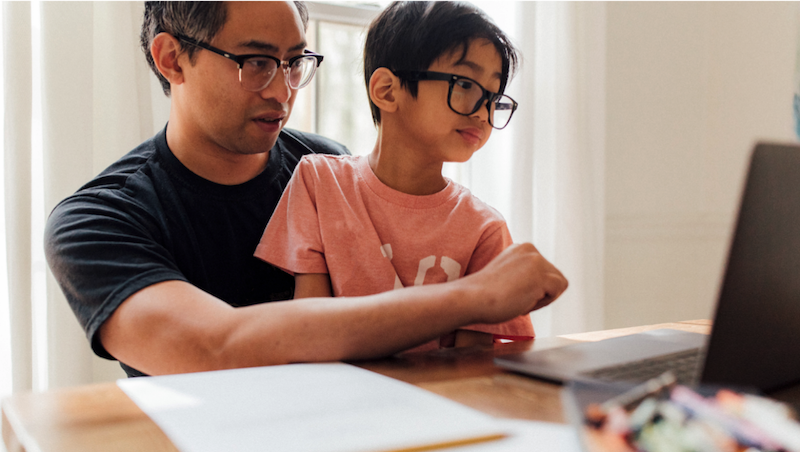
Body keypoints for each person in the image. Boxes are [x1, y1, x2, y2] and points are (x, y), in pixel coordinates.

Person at [44, 1, 568, 378]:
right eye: (256, 63)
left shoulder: (333, 170)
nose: (282, 90)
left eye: (295, 63)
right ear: (172, 58)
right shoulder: (97, 221)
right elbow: (213, 347)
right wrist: (474, 295)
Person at [256, 1, 535, 351]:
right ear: (387, 90)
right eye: (464, 84)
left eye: (494, 97)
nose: (483, 111)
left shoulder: (484, 229)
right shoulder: (319, 182)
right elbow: (311, 332)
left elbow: (470, 370)